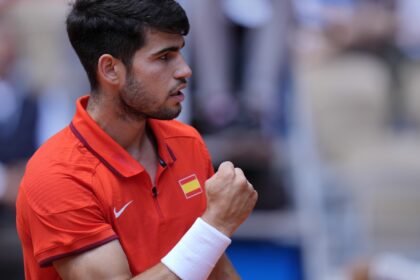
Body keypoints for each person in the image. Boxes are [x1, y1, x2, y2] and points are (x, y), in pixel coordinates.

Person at [15, 0, 258, 279]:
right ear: (110, 70)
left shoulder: (187, 141)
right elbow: (206, 242)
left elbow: (211, 263)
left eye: (180, 53)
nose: (185, 70)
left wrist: (212, 232)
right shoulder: (56, 176)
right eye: (164, 57)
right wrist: (215, 226)